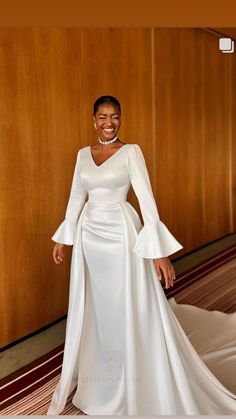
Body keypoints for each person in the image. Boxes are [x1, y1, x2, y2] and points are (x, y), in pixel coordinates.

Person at [47, 95, 236, 415]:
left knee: (125, 303)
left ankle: (132, 379)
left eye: (115, 117)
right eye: (103, 117)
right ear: (93, 120)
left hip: (122, 236)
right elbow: (76, 196)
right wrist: (63, 239)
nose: (109, 122)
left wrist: (158, 254)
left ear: (121, 119)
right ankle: (104, 377)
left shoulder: (131, 152)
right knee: (99, 307)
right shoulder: (82, 155)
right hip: (90, 237)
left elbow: (146, 201)